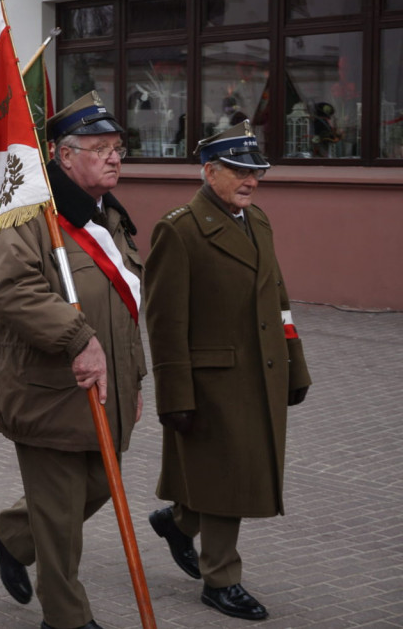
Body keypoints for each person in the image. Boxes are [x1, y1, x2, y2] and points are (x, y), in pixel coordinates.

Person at [0, 92, 145, 629]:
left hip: (103, 385)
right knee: (60, 517)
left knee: (96, 486)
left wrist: (135, 376)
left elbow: (127, 302)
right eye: (100, 148)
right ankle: (67, 617)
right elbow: (12, 289)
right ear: (62, 154)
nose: (114, 157)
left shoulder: (109, 216)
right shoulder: (29, 214)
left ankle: (9, 534)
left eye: (117, 148)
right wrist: (77, 337)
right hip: (47, 390)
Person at [144, 120, 311, 621]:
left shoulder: (257, 220)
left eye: (255, 171)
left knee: (232, 473)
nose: (251, 180)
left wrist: (295, 363)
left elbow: (278, 301)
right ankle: (221, 579)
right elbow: (164, 323)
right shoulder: (180, 230)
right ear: (209, 171)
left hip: (261, 371)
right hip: (211, 382)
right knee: (229, 478)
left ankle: (177, 522)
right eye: (239, 171)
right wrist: (174, 395)